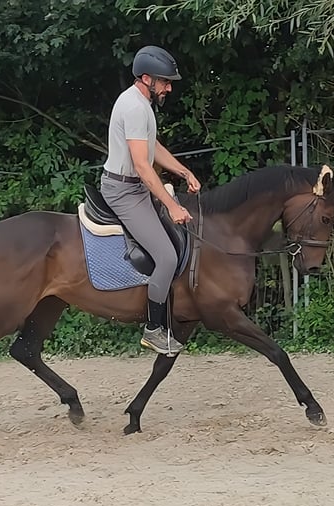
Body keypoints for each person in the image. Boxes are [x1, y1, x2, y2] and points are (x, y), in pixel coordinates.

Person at [100, 45, 201, 356]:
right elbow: (143, 166)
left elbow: (153, 147)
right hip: (123, 190)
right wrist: (173, 206)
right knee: (168, 257)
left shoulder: (142, 104)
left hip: (134, 187)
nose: (169, 87)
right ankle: (154, 329)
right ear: (146, 79)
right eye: (165, 82)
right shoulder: (132, 107)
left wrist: (183, 171)